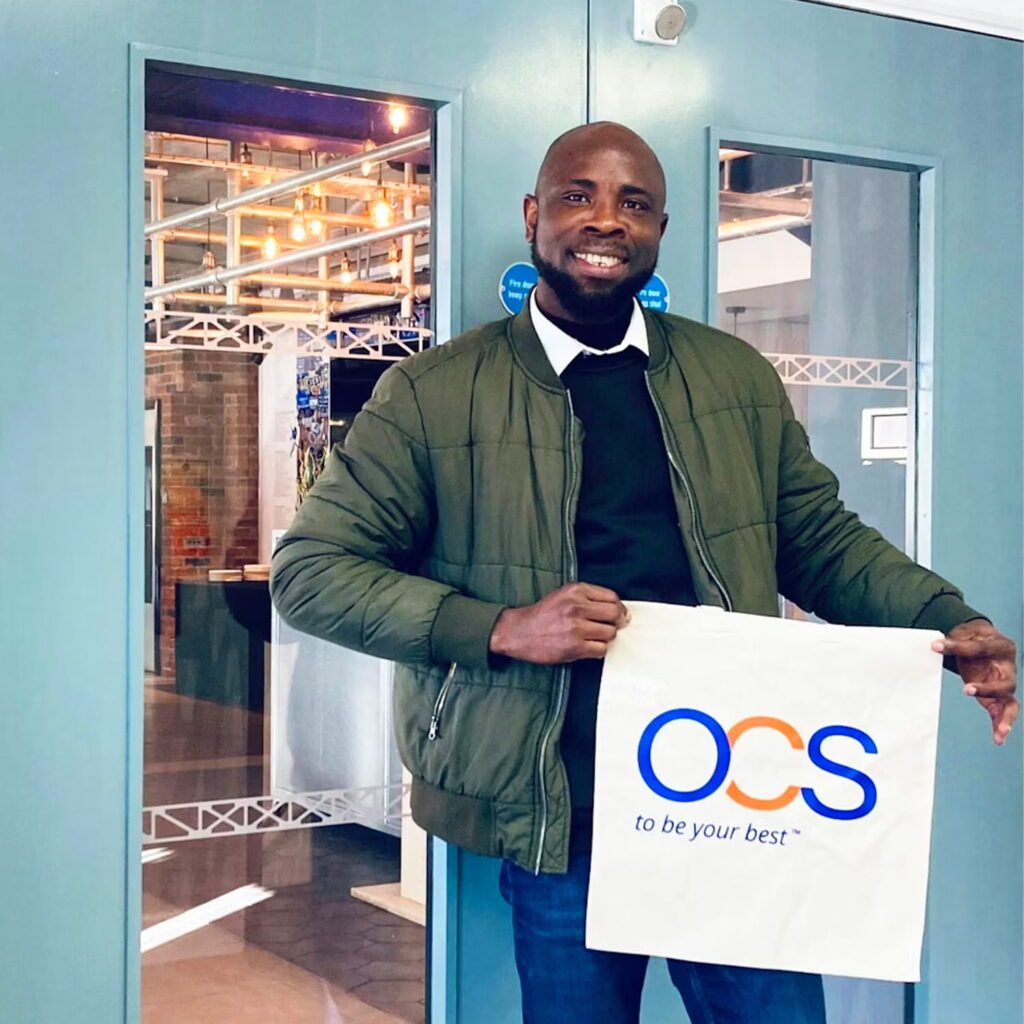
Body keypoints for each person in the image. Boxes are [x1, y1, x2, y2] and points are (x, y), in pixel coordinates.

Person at [270, 122, 1018, 1024]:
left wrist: (947, 619)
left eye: (634, 204)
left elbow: (815, 539)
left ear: (661, 229)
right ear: (533, 216)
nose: (605, 221)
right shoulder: (433, 394)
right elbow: (311, 571)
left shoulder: (730, 375)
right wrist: (502, 627)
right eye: (578, 195)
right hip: (561, 808)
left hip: (742, 794)